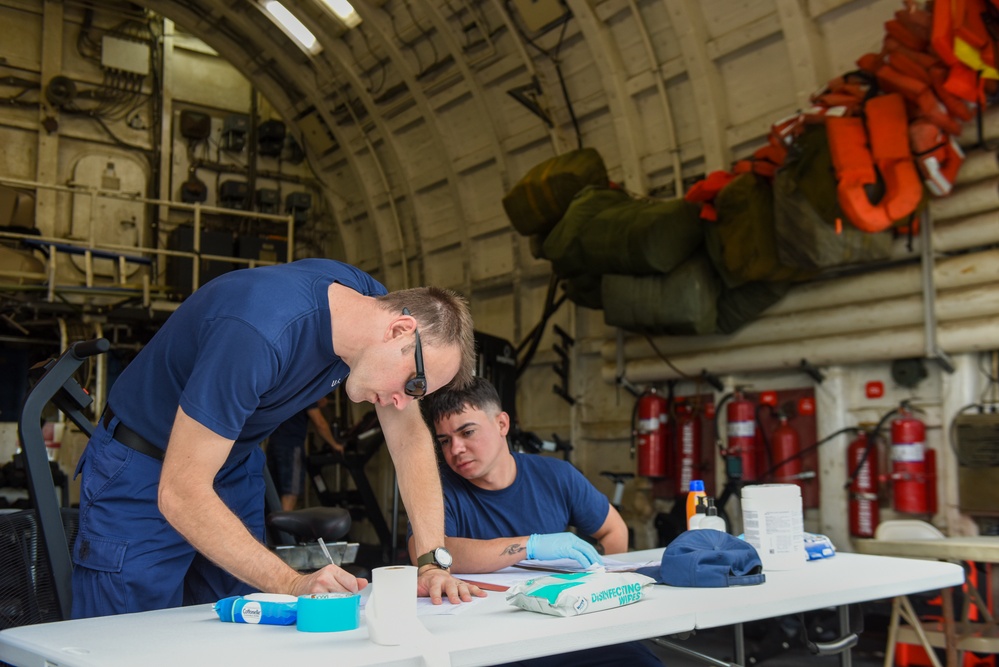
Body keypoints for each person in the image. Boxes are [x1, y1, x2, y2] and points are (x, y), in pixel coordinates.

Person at [71, 258, 485, 619]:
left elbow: (410, 438)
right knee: (128, 640)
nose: (402, 401)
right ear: (399, 330)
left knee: (242, 627)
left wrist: (433, 562)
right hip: (144, 468)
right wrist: (293, 584)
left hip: (232, 465)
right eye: (413, 385)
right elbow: (180, 492)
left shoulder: (367, 305)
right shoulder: (257, 332)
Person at [411, 377, 663, 667]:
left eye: (467, 432)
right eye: (445, 441)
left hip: (568, 624)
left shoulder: (556, 476)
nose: (455, 449)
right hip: (489, 635)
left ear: (502, 424)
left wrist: (598, 590)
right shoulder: (437, 489)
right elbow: (428, 553)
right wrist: (530, 545)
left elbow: (613, 529)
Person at [266, 396, 342, 511]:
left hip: (274, 443)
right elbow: (320, 423)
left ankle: (271, 527)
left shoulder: (290, 389)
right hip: (292, 447)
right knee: (291, 492)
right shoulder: (308, 394)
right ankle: (282, 529)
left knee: (274, 493)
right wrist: (334, 444)